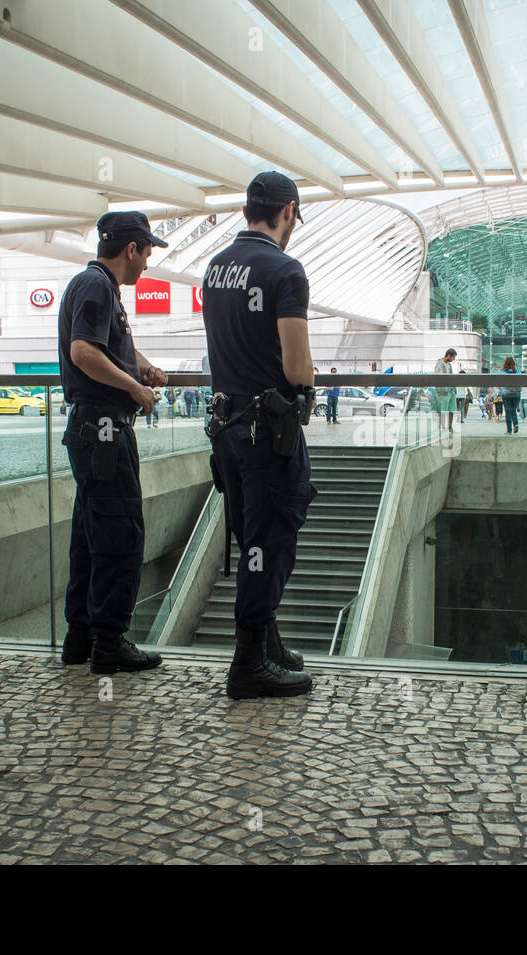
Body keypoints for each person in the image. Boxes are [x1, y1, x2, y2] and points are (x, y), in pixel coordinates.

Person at [203, 171, 315, 700]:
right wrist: (308, 388)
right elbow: (296, 368)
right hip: (266, 434)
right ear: (288, 211)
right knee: (269, 546)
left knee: (251, 541)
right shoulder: (285, 271)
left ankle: (266, 643)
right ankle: (248, 665)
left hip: (226, 429)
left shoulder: (216, 268)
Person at [57, 210, 166, 674]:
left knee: (90, 535)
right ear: (130, 249)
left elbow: (107, 345)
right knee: (121, 535)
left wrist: (141, 366)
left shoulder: (94, 284)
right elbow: (83, 352)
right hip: (103, 430)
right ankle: (110, 643)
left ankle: (80, 637)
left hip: (91, 430)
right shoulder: (99, 287)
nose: (147, 264)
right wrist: (135, 389)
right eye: (146, 253)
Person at [430, 348, 457, 432]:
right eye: (453, 357)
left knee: (451, 409)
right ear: (449, 355)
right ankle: (442, 428)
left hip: (451, 391)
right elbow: (438, 378)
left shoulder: (449, 365)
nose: (454, 359)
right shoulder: (440, 364)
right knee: (443, 410)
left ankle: (449, 427)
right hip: (443, 392)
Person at [501, 356, 521, 434]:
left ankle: (509, 430)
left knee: (508, 411)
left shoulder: (503, 373)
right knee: (513, 410)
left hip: (506, 394)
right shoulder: (518, 372)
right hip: (516, 394)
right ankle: (516, 424)